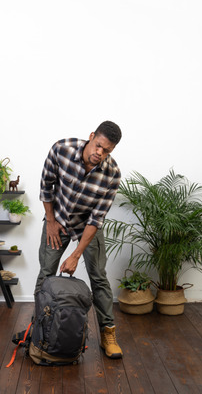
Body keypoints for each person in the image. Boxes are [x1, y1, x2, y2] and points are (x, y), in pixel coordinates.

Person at [34, 120, 123, 359]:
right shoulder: (61, 149)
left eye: (107, 151)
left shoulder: (112, 175)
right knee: (46, 273)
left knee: (99, 277)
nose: (99, 154)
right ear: (91, 136)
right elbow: (46, 186)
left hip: (87, 227)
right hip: (58, 220)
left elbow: (96, 219)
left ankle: (108, 334)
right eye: (98, 146)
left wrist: (75, 255)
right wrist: (51, 221)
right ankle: (38, 327)